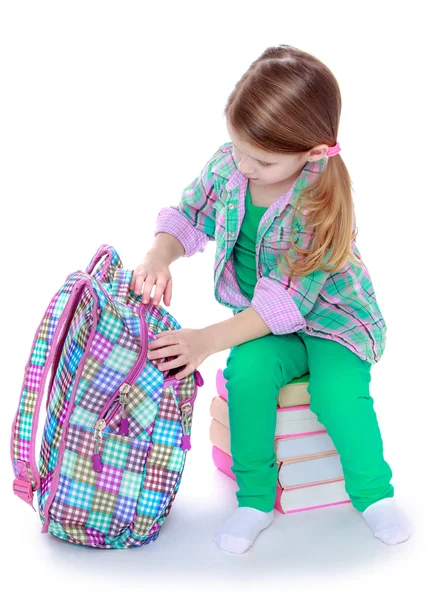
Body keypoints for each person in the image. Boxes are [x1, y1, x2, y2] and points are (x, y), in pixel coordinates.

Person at [129, 44, 412, 554]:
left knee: (336, 394)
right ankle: (255, 499)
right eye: (238, 147)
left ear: (312, 150)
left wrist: (205, 341)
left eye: (262, 158)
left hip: (331, 322)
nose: (245, 164)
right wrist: (159, 256)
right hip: (264, 322)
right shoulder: (230, 167)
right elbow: (190, 215)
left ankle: (374, 494)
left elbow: (286, 301)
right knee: (248, 376)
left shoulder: (319, 202)